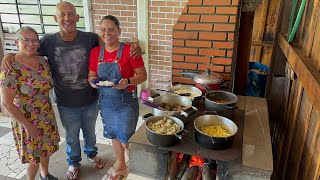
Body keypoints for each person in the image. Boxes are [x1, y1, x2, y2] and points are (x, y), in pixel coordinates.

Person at [1, 2, 141, 180]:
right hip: (65, 102)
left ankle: (91, 154)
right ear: (55, 18)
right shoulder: (47, 41)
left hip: (90, 99)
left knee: (90, 133)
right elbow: (27, 50)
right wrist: (9, 55)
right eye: (62, 15)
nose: (66, 18)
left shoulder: (90, 38)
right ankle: (74, 162)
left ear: (77, 17)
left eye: (70, 14)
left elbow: (111, 42)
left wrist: (133, 44)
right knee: (72, 136)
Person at [88, 15, 147, 180]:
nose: (108, 33)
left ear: (119, 31)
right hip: (106, 102)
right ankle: (121, 164)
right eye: (104, 30)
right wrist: (93, 82)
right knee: (113, 134)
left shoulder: (129, 50)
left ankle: (136, 166)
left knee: (126, 138)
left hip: (126, 101)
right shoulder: (95, 53)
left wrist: (128, 81)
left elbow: (142, 75)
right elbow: (91, 75)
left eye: (112, 29)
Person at [0, 27, 60, 180]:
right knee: (34, 156)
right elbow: (7, 103)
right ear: (16, 42)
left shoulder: (43, 61)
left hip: (46, 114)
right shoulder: (10, 67)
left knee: (45, 150)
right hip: (26, 118)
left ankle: (45, 175)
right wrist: (28, 125)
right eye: (26, 40)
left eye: (34, 40)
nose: (31, 43)